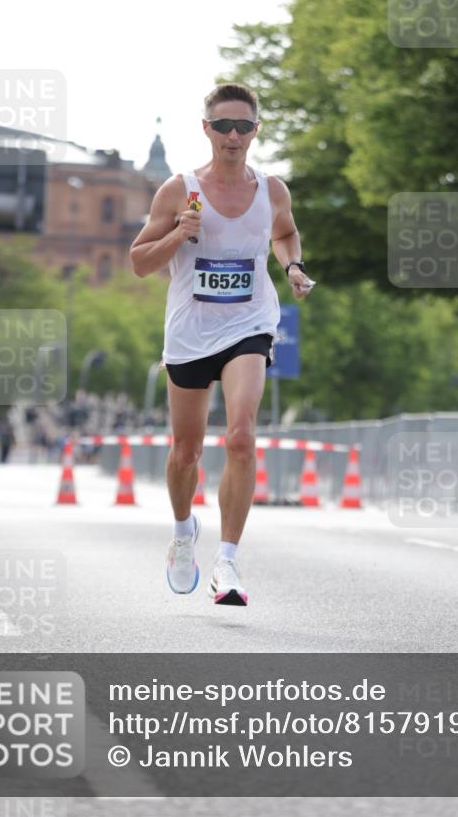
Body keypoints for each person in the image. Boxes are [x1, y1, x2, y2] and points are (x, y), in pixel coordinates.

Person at [130, 83, 314, 606]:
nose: (233, 136)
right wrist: (177, 235)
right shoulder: (177, 190)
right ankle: (184, 532)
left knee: (240, 435)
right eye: (223, 126)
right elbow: (140, 263)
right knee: (186, 451)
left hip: (249, 323)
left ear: (256, 130)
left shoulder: (273, 190)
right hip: (190, 329)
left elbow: (285, 232)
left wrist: (293, 267)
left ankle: (228, 562)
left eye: (244, 126)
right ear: (206, 129)